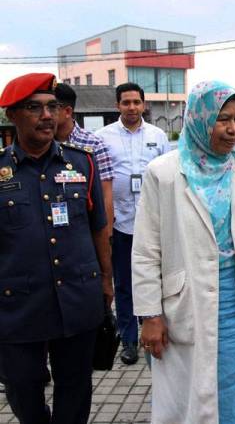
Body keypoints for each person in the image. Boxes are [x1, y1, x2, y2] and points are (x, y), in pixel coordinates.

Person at [131, 80, 235, 424]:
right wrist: (149, 315)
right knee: (195, 398)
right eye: (224, 120)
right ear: (200, 119)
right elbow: (146, 250)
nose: (234, 129)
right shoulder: (163, 173)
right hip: (187, 302)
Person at [0, 73, 113, 424]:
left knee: (76, 386)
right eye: (34, 108)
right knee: (21, 385)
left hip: (77, 297)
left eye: (52, 107)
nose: (47, 115)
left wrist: (106, 282)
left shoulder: (82, 163)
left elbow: (98, 228)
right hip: (17, 304)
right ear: (13, 115)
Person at [95, 82, 170, 365]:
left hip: (154, 222)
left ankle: (152, 328)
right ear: (117, 106)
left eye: (136, 102)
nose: (131, 107)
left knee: (153, 279)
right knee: (124, 283)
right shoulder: (102, 137)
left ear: (144, 104)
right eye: (126, 102)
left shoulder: (158, 135)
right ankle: (128, 340)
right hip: (120, 223)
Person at [54, 83, 114, 236]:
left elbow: (106, 195)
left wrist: (107, 237)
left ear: (67, 111)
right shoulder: (40, 145)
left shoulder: (93, 144)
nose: (44, 114)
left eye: (51, 107)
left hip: (84, 232)